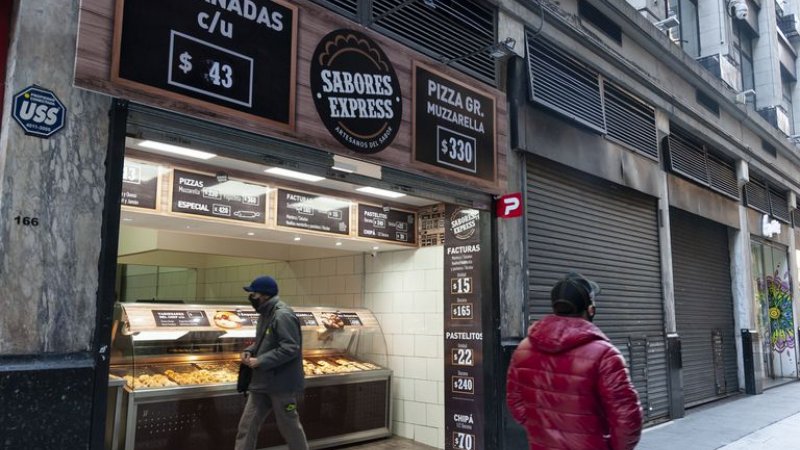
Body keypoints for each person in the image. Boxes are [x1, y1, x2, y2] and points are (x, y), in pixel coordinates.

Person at [506, 272, 643, 450]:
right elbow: (627, 419)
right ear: (590, 309)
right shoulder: (605, 355)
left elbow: (515, 402)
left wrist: (543, 430)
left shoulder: (524, 349)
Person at [235, 275, 309, 450]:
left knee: (290, 427)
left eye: (253, 294)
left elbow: (290, 347)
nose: (251, 298)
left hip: (281, 384)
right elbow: (263, 341)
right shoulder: (265, 313)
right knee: (246, 426)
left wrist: (260, 360)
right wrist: (250, 351)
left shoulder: (282, 315)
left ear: (264, 295)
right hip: (261, 383)